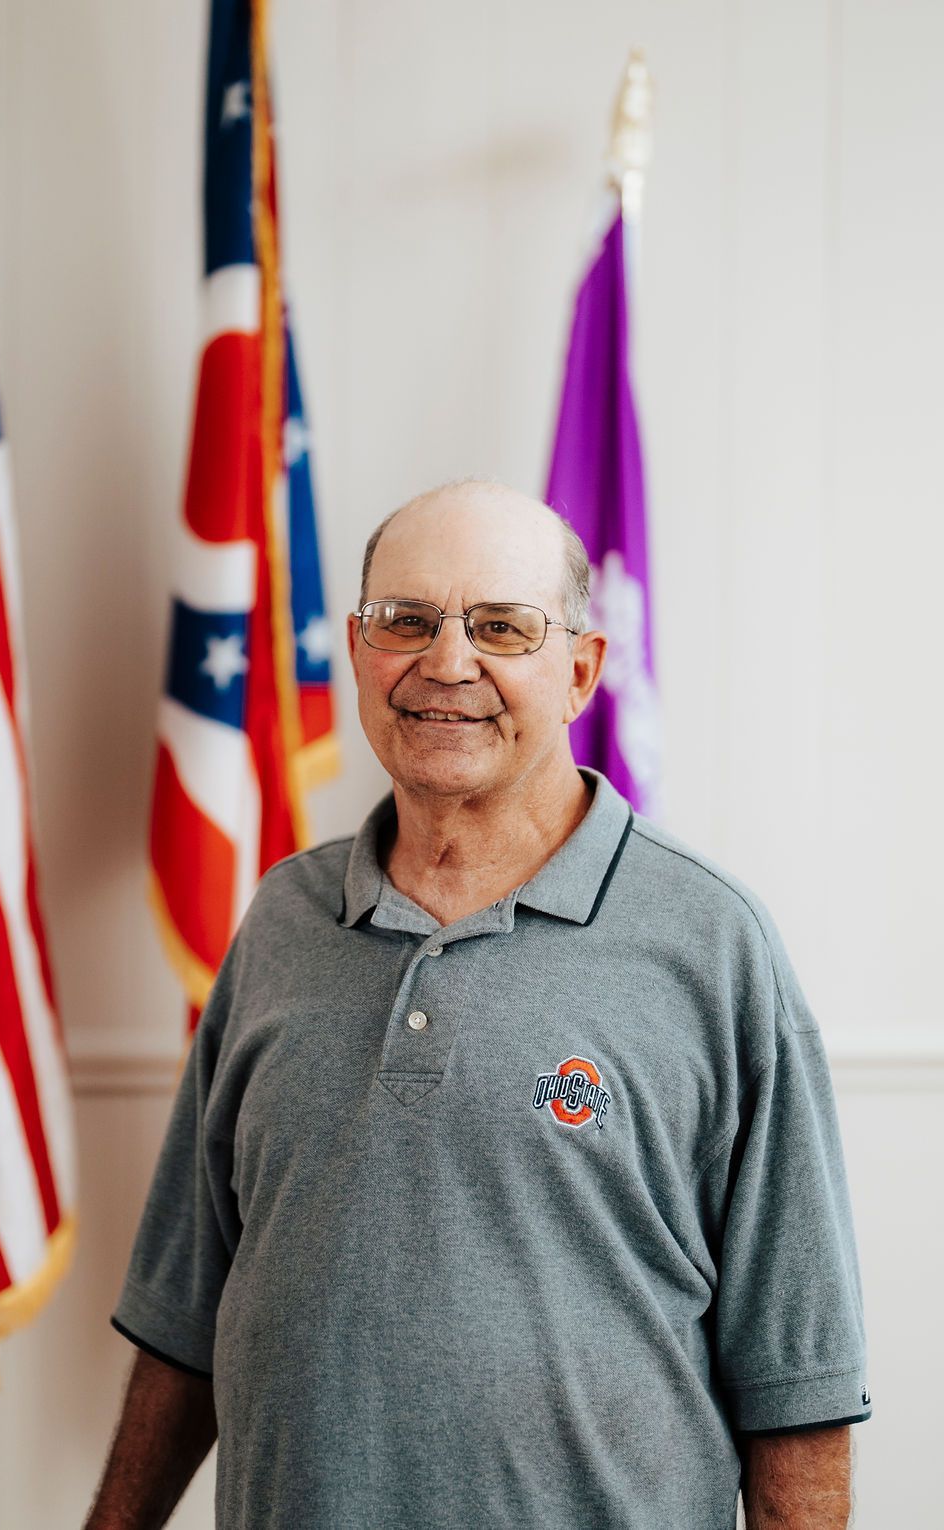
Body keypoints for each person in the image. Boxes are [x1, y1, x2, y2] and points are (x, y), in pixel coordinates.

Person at [87, 480, 870, 1530]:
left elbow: (799, 1387)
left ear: (581, 671)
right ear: (359, 652)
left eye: (501, 627)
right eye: (403, 622)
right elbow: (187, 1316)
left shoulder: (713, 943)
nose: (445, 664)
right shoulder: (281, 922)